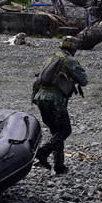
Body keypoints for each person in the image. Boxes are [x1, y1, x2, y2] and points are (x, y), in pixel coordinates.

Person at [32, 36, 88, 174]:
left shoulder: (51, 58)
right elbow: (84, 80)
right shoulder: (70, 60)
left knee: (56, 133)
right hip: (55, 99)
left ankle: (59, 166)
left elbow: (38, 80)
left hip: (40, 97)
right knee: (65, 131)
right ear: (73, 49)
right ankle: (43, 152)